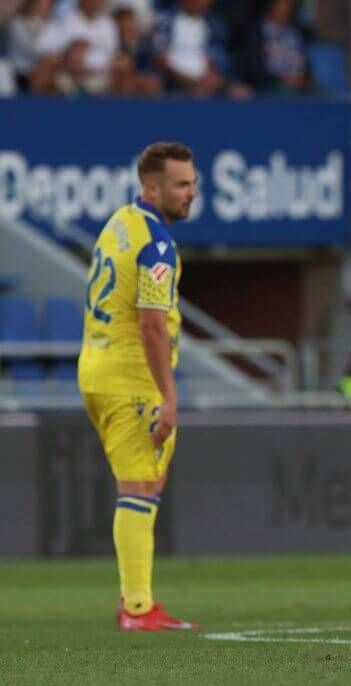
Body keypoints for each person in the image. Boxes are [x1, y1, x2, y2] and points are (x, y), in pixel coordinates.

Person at [77, 143, 198, 632]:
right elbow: (151, 324)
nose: (191, 194)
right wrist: (168, 395)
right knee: (140, 484)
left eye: (193, 183)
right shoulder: (158, 244)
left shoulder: (120, 222)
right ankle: (138, 608)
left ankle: (136, 600)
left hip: (96, 364)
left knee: (148, 482)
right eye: (181, 185)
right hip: (132, 376)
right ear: (153, 187)